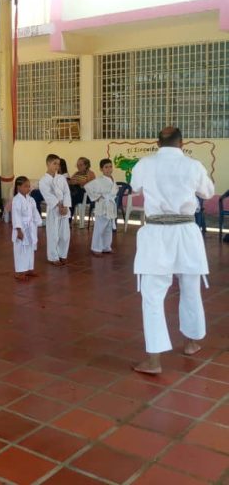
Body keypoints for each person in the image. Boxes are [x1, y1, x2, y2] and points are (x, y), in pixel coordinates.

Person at [131, 127, 214, 375]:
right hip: (186, 232)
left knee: (153, 296)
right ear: (182, 143)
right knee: (190, 289)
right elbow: (208, 192)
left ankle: (154, 361)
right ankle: (190, 343)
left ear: (158, 143)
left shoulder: (145, 163)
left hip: (157, 233)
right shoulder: (193, 165)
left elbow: (135, 187)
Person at [39, 154, 71, 266]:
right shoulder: (43, 180)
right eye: (54, 163)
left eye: (58, 164)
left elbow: (67, 192)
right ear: (48, 164)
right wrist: (59, 205)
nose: (57, 166)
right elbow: (47, 195)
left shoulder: (61, 178)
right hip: (53, 209)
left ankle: (63, 254)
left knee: (65, 234)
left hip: (64, 208)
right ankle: (53, 257)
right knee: (53, 234)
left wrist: (66, 205)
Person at [84, 159, 118, 257]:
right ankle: (96, 247)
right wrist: (97, 197)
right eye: (106, 167)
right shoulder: (99, 180)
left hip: (110, 205)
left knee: (108, 227)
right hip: (102, 206)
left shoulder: (112, 179)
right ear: (101, 169)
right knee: (99, 227)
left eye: (110, 166)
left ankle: (106, 247)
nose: (109, 169)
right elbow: (87, 187)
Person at [12, 176, 41, 280]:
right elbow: (16, 215)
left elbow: (35, 212)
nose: (28, 188)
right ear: (18, 187)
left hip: (30, 227)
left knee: (30, 249)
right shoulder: (16, 200)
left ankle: (29, 269)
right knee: (20, 250)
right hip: (21, 227)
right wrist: (19, 230)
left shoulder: (31, 199)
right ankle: (19, 272)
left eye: (29, 186)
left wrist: (37, 222)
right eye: (25, 186)